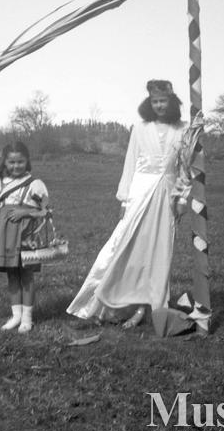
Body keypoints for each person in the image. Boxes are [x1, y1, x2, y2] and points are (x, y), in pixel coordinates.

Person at [66, 80, 192, 329]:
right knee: (126, 248)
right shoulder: (140, 128)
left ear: (171, 102)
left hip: (166, 195)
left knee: (158, 252)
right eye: (155, 101)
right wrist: (124, 198)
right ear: (149, 102)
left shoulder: (183, 130)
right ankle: (109, 302)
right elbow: (130, 164)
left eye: (163, 101)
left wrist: (182, 198)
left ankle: (149, 306)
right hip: (140, 192)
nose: (159, 105)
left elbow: (185, 169)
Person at [0, 141, 49, 333]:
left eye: (20, 162)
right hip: (5, 234)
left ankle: (27, 318)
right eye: (12, 162)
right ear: (5, 162)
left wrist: (25, 213)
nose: (16, 166)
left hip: (26, 235)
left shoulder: (35, 184)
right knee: (12, 274)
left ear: (27, 161)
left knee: (26, 274)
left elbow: (45, 211)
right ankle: (16, 315)